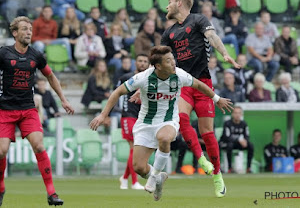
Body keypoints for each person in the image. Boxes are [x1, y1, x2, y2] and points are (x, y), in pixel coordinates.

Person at [90, 46, 233, 201]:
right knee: (138, 167)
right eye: (168, 61)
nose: (173, 63)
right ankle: (158, 178)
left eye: (172, 59)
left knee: (165, 138)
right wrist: (103, 116)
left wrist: (217, 99)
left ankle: (154, 176)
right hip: (145, 124)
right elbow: (117, 92)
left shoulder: (179, 75)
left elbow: (199, 85)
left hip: (168, 120)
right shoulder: (143, 78)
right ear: (158, 66)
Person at [161, 0, 240, 198]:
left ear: (179, 3)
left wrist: (224, 53)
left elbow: (212, 37)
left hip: (203, 83)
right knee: (181, 118)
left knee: (207, 132)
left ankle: (217, 175)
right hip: (184, 83)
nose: (166, 5)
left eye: (169, 1)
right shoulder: (168, 33)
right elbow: (158, 61)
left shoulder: (198, 20)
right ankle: (200, 158)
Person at [0, 16, 74, 206]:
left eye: (30, 29)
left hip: (27, 109)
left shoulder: (36, 55)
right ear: (15, 33)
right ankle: (0, 186)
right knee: (1, 151)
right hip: (5, 110)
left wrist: (63, 100)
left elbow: (51, 76)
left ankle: (51, 193)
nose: (29, 32)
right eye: (24, 29)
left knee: (39, 146)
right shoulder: (4, 53)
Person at [118, 54, 150, 190]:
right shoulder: (127, 78)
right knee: (134, 148)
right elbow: (117, 94)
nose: (142, 63)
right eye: (140, 61)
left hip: (141, 117)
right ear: (135, 63)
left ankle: (124, 178)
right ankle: (134, 182)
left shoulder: (149, 79)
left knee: (135, 149)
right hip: (128, 115)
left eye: (145, 61)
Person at [219, 106, 254, 173]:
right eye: (235, 113)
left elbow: (247, 135)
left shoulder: (244, 124)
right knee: (229, 145)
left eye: (239, 113)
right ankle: (229, 168)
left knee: (250, 146)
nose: (237, 115)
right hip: (226, 143)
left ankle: (248, 168)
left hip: (238, 144)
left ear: (241, 114)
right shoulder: (227, 123)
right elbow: (227, 137)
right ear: (232, 114)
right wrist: (238, 139)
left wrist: (245, 141)